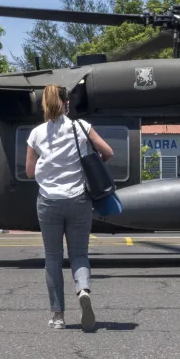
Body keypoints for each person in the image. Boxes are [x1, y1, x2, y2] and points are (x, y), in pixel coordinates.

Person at [26, 84, 114, 330]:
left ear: (45, 104)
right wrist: (92, 162)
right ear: (67, 103)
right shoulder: (81, 127)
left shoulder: (36, 133)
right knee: (79, 254)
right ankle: (83, 291)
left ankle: (57, 315)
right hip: (78, 200)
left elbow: (30, 171)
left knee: (53, 258)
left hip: (48, 202)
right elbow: (108, 152)